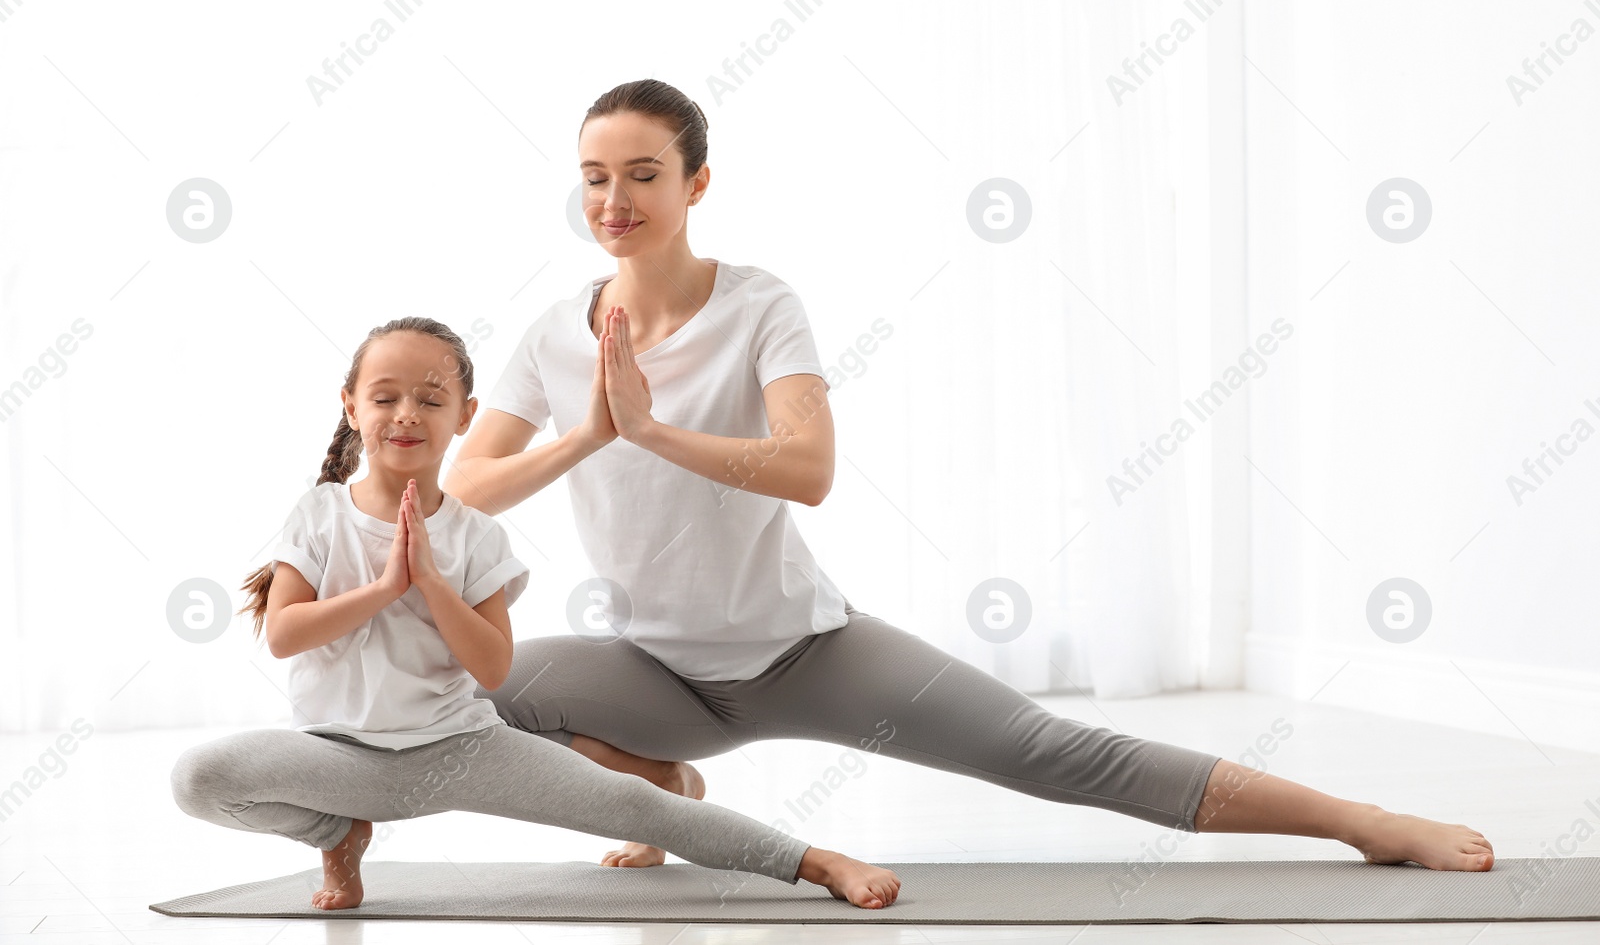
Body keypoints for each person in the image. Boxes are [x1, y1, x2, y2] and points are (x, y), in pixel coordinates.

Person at [444, 79, 1497, 875]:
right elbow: (471, 485)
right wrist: (590, 434)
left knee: (1053, 750)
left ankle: (1367, 823)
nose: (613, 199)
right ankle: (659, 786)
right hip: (655, 671)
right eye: (594, 175)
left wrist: (655, 431)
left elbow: (807, 469)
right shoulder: (556, 330)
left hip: (804, 649)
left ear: (695, 183)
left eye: (641, 173)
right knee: (455, 692)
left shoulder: (760, 304)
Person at [168, 316, 902, 911]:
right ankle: (338, 832)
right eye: (385, 395)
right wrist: (386, 586)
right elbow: (287, 635)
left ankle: (817, 861)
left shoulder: (476, 535)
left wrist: (430, 582)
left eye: (430, 398)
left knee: (639, 807)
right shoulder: (319, 513)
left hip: (459, 749)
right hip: (337, 755)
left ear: (465, 417)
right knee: (199, 776)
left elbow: (492, 666)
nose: (405, 414)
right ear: (351, 405)